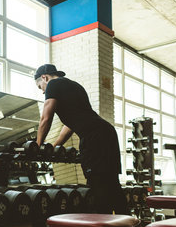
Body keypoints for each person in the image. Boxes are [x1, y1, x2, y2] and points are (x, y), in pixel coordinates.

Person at [34, 64, 128, 214]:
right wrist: (54, 146)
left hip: (94, 138)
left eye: (40, 87)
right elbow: (70, 126)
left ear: (44, 78)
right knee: (112, 186)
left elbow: (46, 118)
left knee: (98, 188)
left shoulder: (53, 84)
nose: (43, 91)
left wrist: (37, 146)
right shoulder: (74, 85)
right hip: (107, 133)